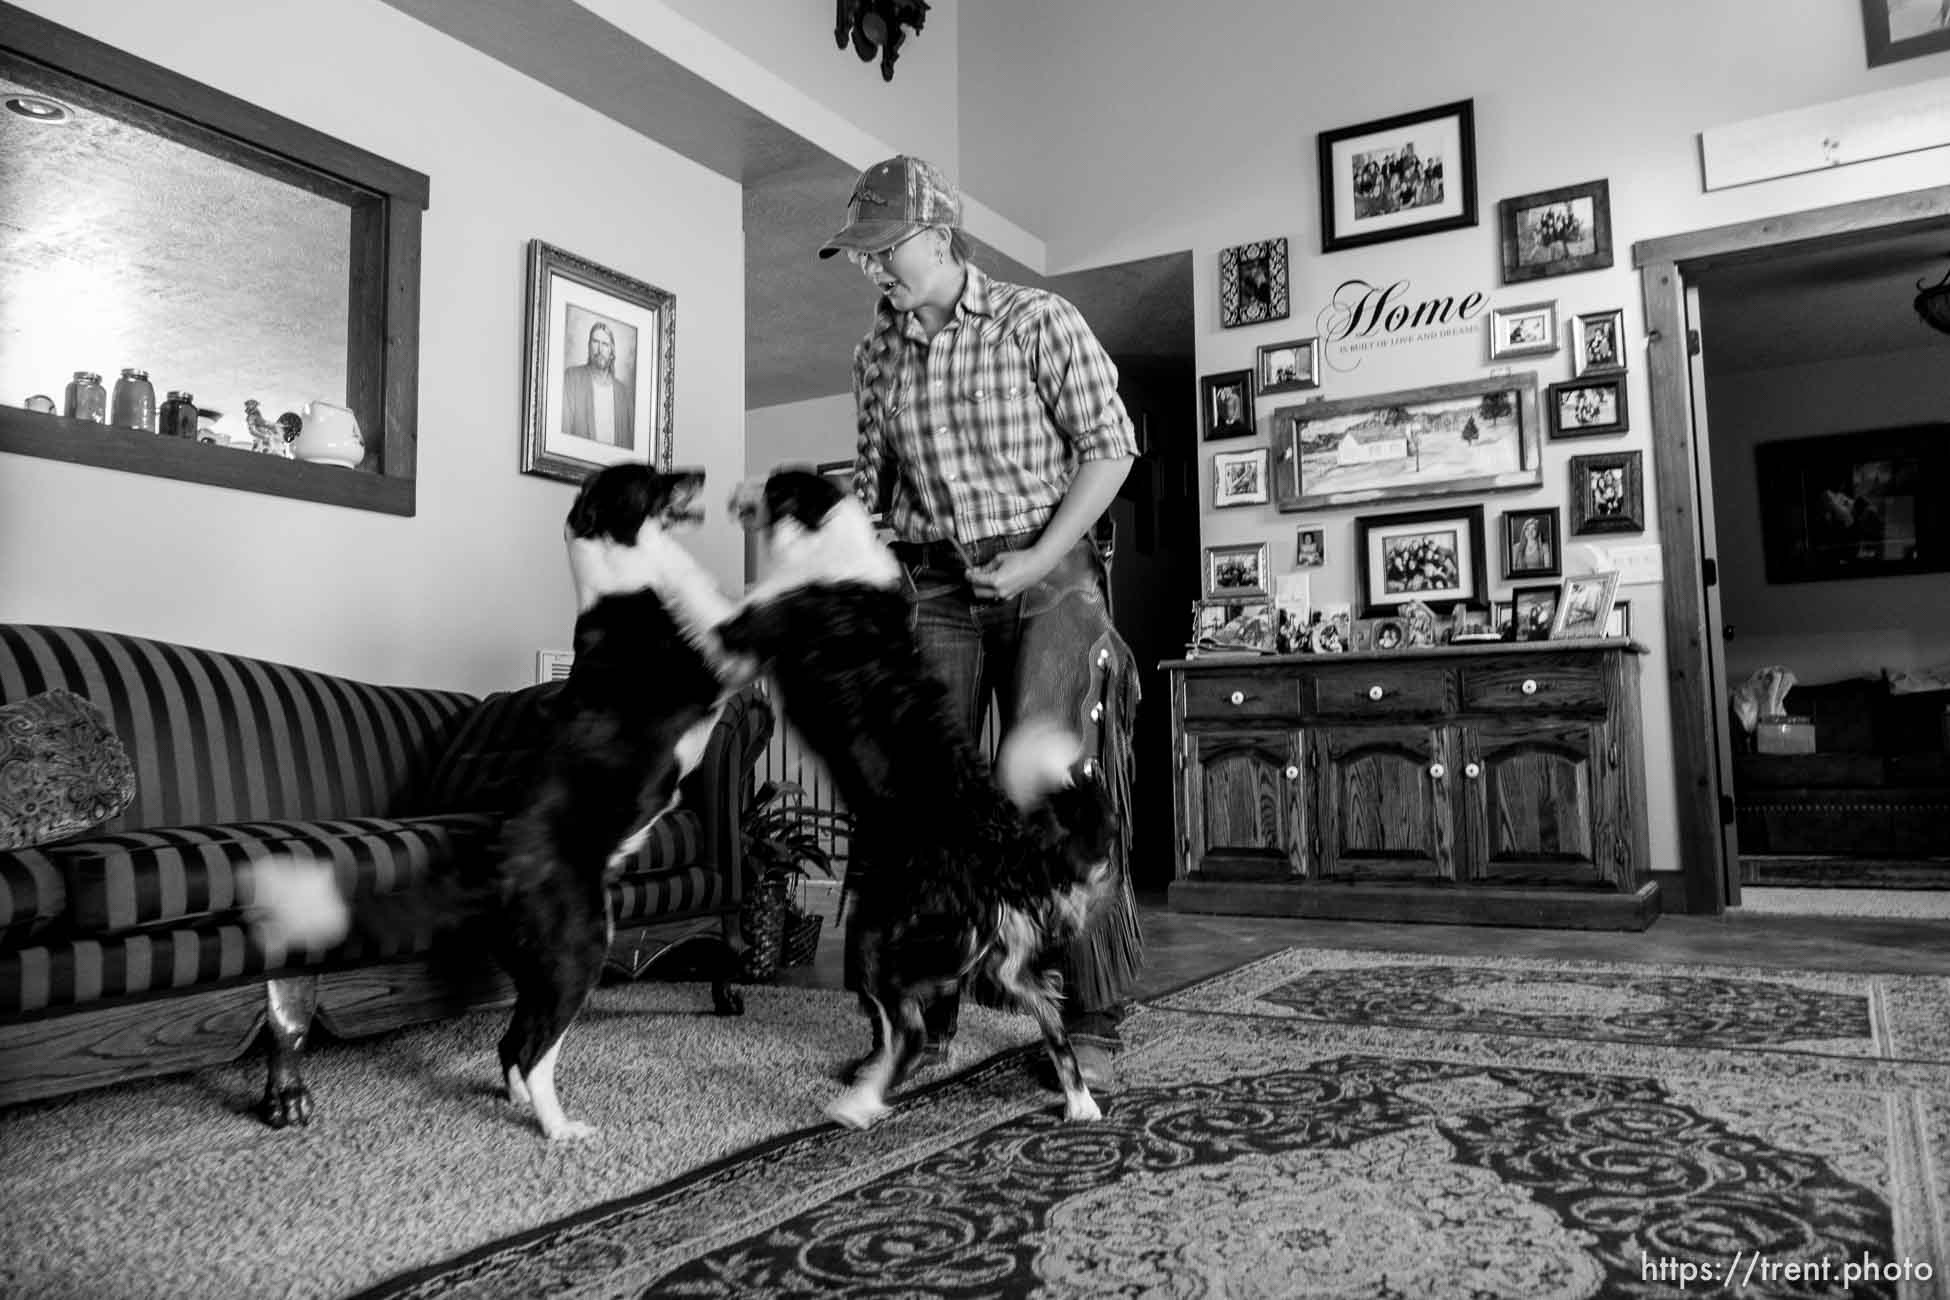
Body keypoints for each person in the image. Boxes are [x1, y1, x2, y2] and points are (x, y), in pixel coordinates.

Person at [820, 154, 1143, 1091]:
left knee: (1051, 775)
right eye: (861, 255)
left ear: (937, 235)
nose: (874, 269)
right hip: (936, 579)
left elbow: (1111, 448)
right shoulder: (873, 355)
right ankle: (922, 1015)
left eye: (886, 249)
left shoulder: (1036, 321)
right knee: (926, 799)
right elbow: (877, 494)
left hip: (1050, 565)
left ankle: (1088, 1005)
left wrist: (1040, 559)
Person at [562, 321, 634, 447]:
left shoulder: (623, 393)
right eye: (595, 342)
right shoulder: (571, 378)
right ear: (589, 346)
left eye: (605, 344)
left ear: (612, 352)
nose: (600, 350)